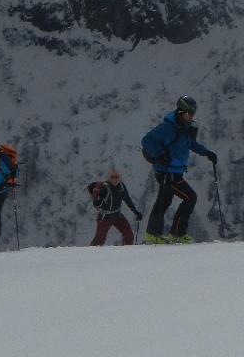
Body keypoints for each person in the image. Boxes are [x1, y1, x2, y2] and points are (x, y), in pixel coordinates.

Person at [140, 95, 218, 244]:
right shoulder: (167, 128)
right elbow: (146, 140)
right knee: (190, 197)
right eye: (189, 113)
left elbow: (191, 144)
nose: (191, 117)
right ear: (181, 112)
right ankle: (177, 233)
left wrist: (207, 153)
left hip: (174, 171)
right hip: (167, 172)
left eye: (193, 114)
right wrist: (159, 154)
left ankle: (153, 234)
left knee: (163, 202)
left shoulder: (183, 128)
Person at [87, 171, 142, 246]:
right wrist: (101, 197)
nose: (114, 179)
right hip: (105, 218)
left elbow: (128, 200)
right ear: (108, 178)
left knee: (129, 236)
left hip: (117, 216)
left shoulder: (121, 187)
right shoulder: (105, 188)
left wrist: (136, 212)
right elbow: (96, 203)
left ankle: (126, 255)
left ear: (120, 178)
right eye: (112, 177)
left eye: (117, 177)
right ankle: (89, 256)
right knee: (99, 241)